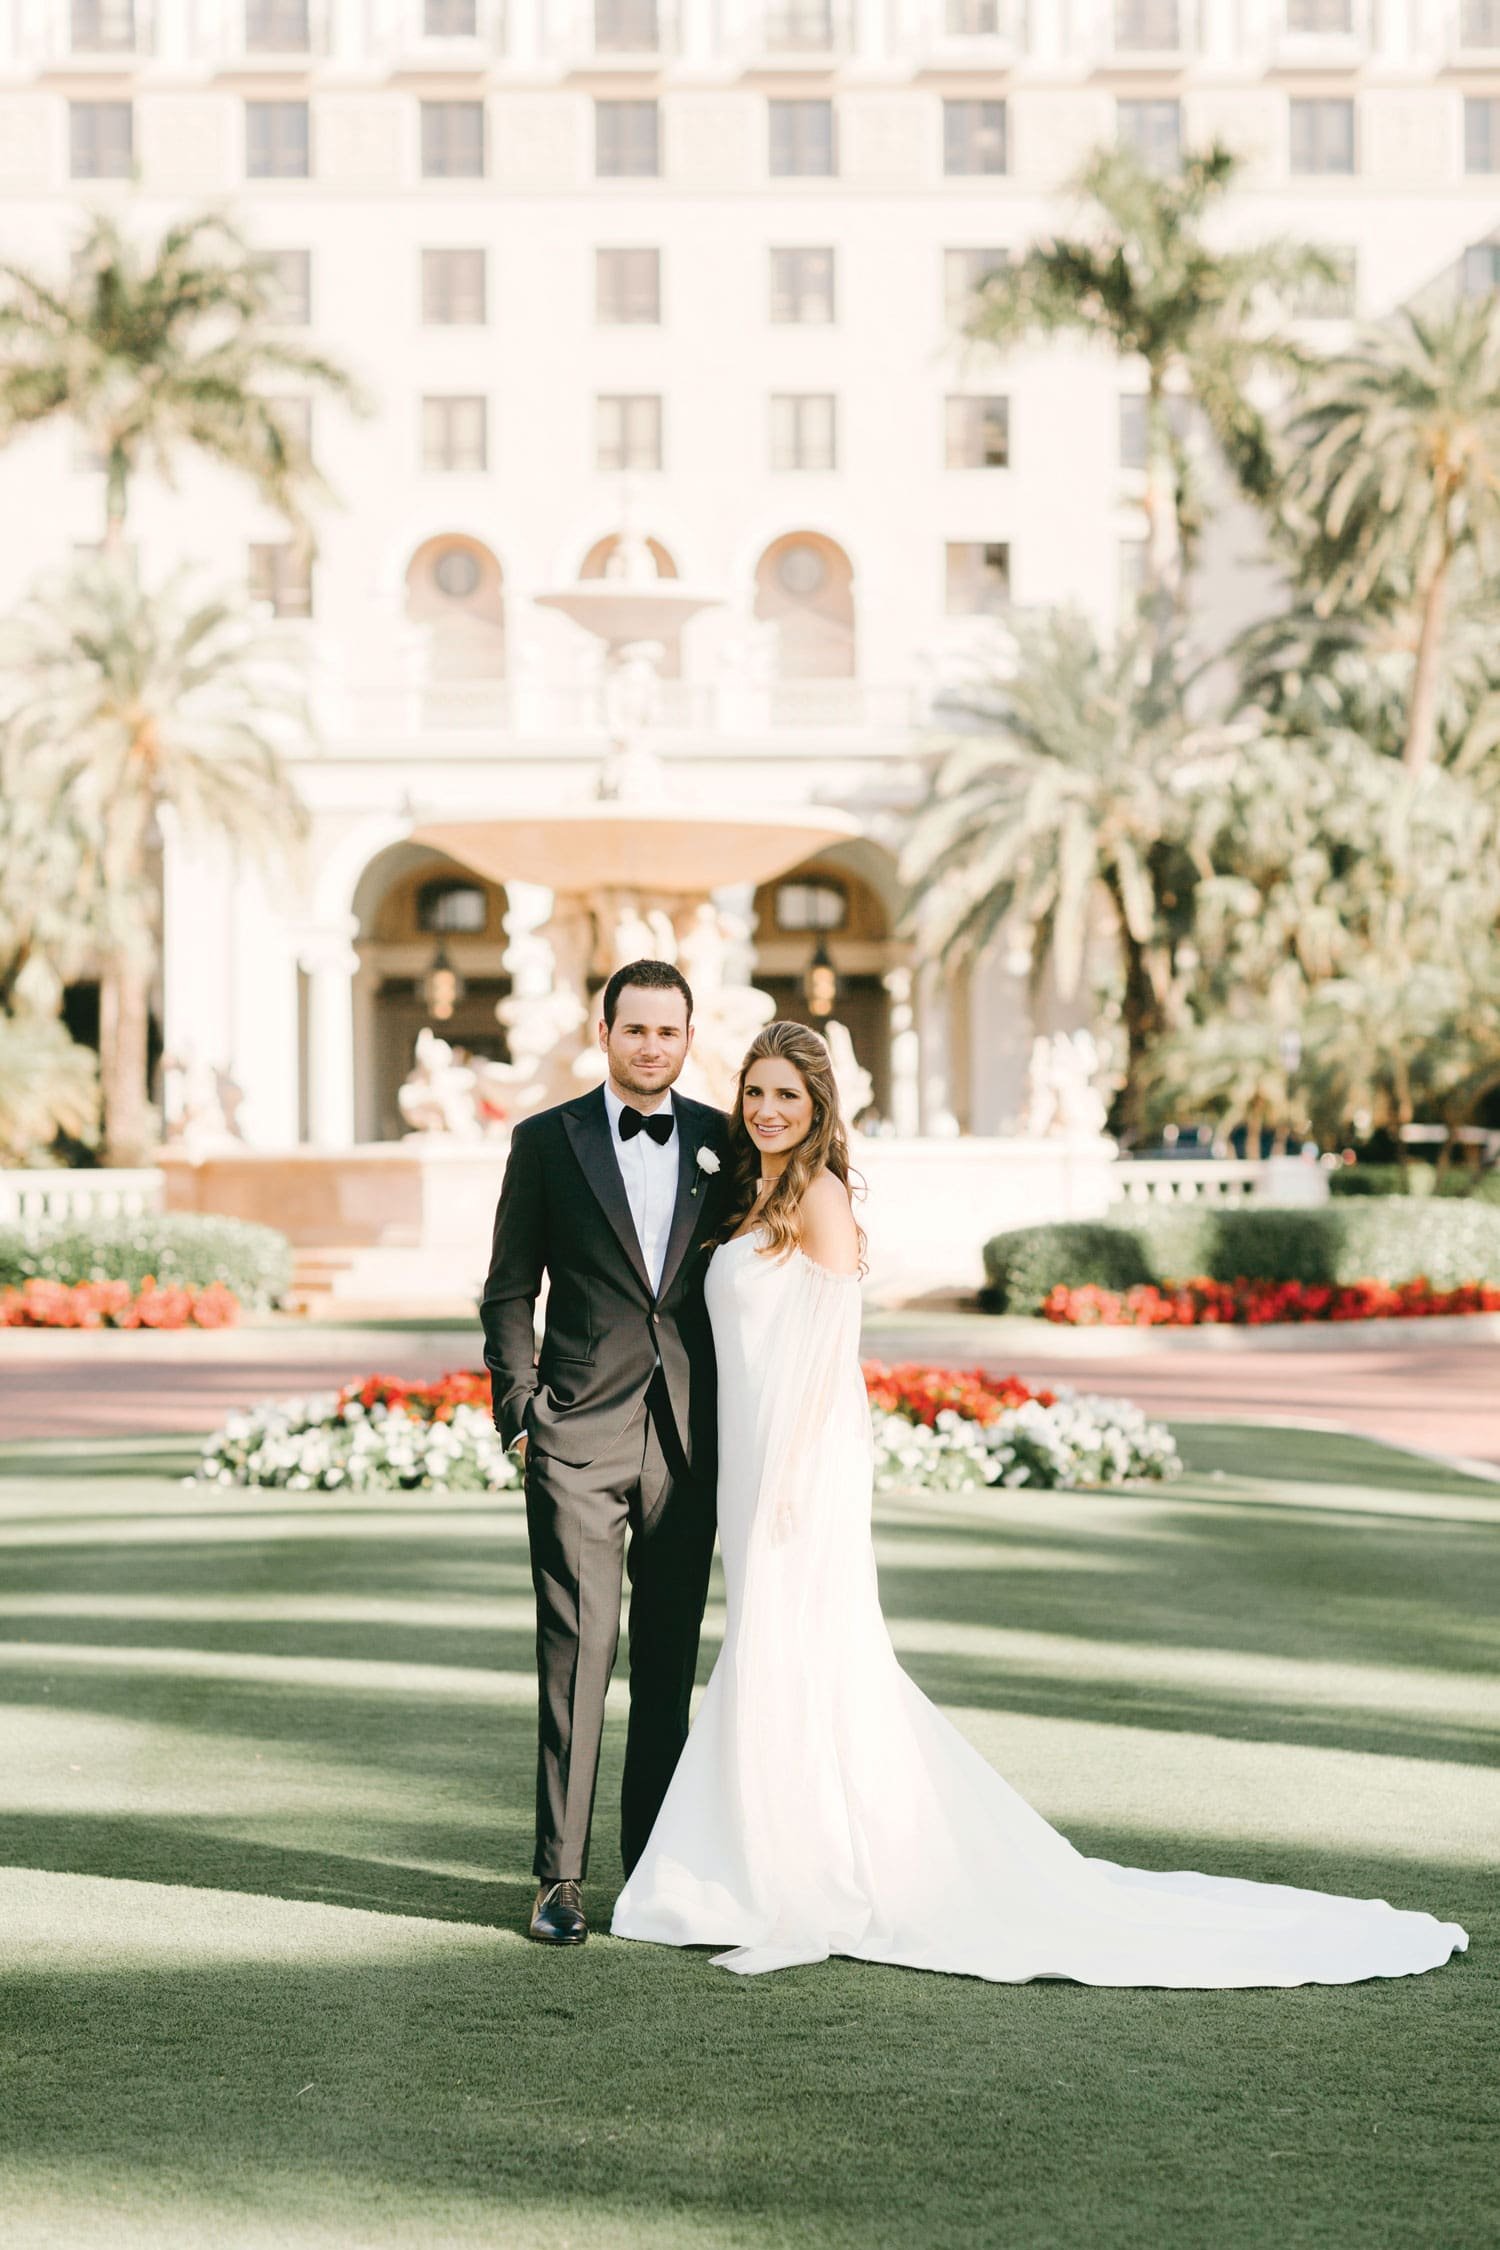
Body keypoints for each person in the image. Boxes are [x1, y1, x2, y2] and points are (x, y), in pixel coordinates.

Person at [612, 1019, 1469, 1986]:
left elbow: (827, 1352)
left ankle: (799, 1872)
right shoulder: (748, 1192)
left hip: (798, 1461)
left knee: (794, 1641)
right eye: (757, 1093)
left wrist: (788, 1478)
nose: (768, 1110)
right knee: (777, 1642)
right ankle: (762, 1856)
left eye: (788, 1096)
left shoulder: (820, 1195)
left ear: (819, 1109)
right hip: (750, 1456)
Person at [482, 957, 729, 1946]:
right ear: (605, 1033)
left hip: (690, 1442)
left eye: (668, 1031)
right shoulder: (547, 1141)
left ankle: (653, 1875)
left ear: (689, 1038)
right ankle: (559, 1881)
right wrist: (520, 1410)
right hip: (577, 1436)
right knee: (577, 1656)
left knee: (668, 1664)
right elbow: (509, 1287)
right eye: (636, 1029)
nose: (651, 1047)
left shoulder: (725, 1140)